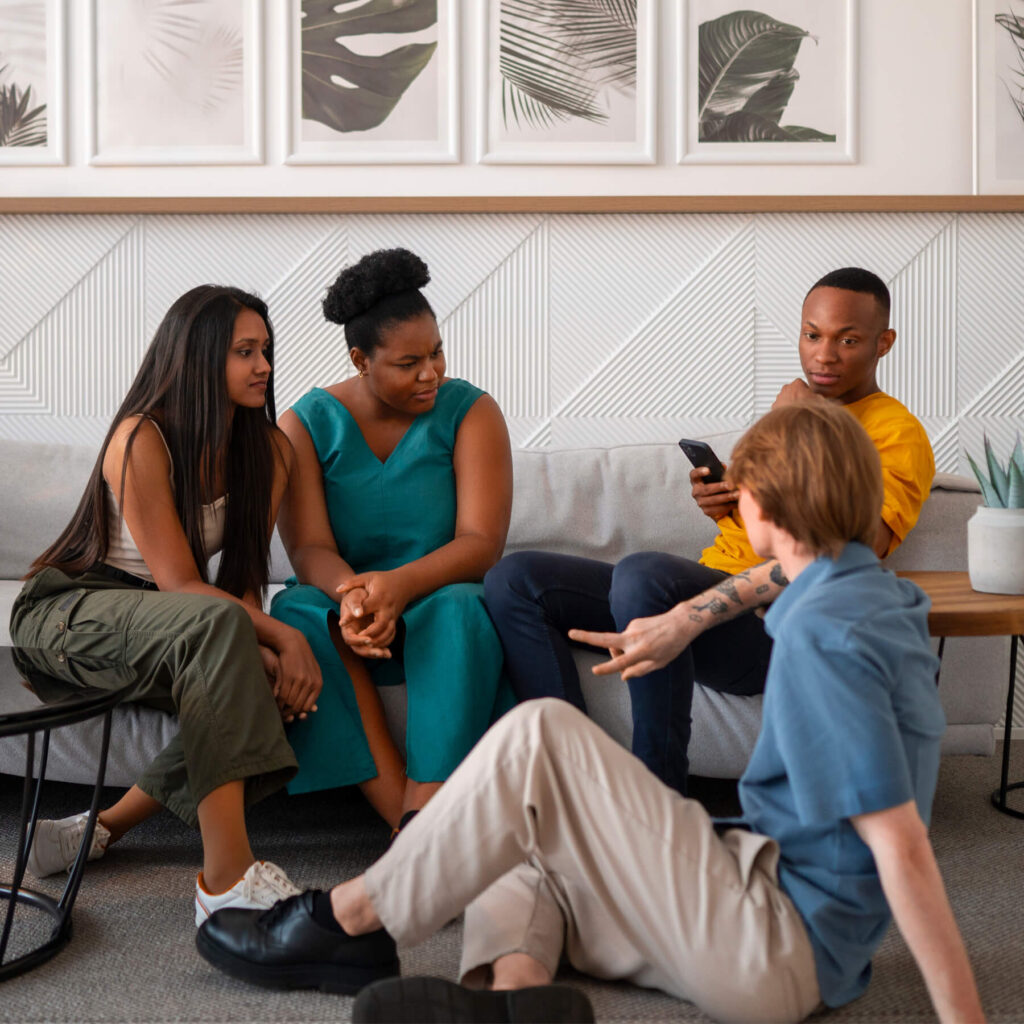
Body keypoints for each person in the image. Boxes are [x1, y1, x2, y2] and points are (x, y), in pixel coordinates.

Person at [194, 402, 984, 1024]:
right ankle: (519, 994)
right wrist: (689, 617)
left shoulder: (825, 638)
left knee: (540, 735)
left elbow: (903, 847)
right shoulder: (871, 593)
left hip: (775, 945)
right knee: (518, 835)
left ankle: (349, 919)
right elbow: (784, 576)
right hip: (773, 912)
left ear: (765, 506)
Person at [484, 266, 935, 795]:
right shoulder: (790, 411)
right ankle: (569, 782)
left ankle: (658, 799)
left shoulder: (896, 433)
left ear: (884, 343)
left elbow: (853, 549)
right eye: (812, 335)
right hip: (709, 586)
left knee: (645, 573)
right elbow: (773, 519)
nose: (824, 355)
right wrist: (726, 505)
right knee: (515, 578)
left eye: (848, 340)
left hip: (772, 627)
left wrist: (798, 428)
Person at [11, 285, 322, 925]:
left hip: (168, 624)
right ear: (200, 357)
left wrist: (257, 648)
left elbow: (239, 584)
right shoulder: (140, 437)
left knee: (253, 681)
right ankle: (226, 881)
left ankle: (97, 830)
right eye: (244, 351)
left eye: (265, 349)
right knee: (234, 638)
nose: (264, 365)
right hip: (71, 612)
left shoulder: (267, 450)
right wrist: (288, 640)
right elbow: (183, 584)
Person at [269, 248, 513, 832]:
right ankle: (406, 824)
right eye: (408, 363)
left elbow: (481, 543)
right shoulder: (304, 424)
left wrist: (399, 587)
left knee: (460, 607)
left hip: (436, 595)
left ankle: (424, 805)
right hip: (347, 605)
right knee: (295, 611)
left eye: (436, 353)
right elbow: (308, 550)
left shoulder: (471, 411)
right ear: (360, 359)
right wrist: (353, 598)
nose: (430, 372)